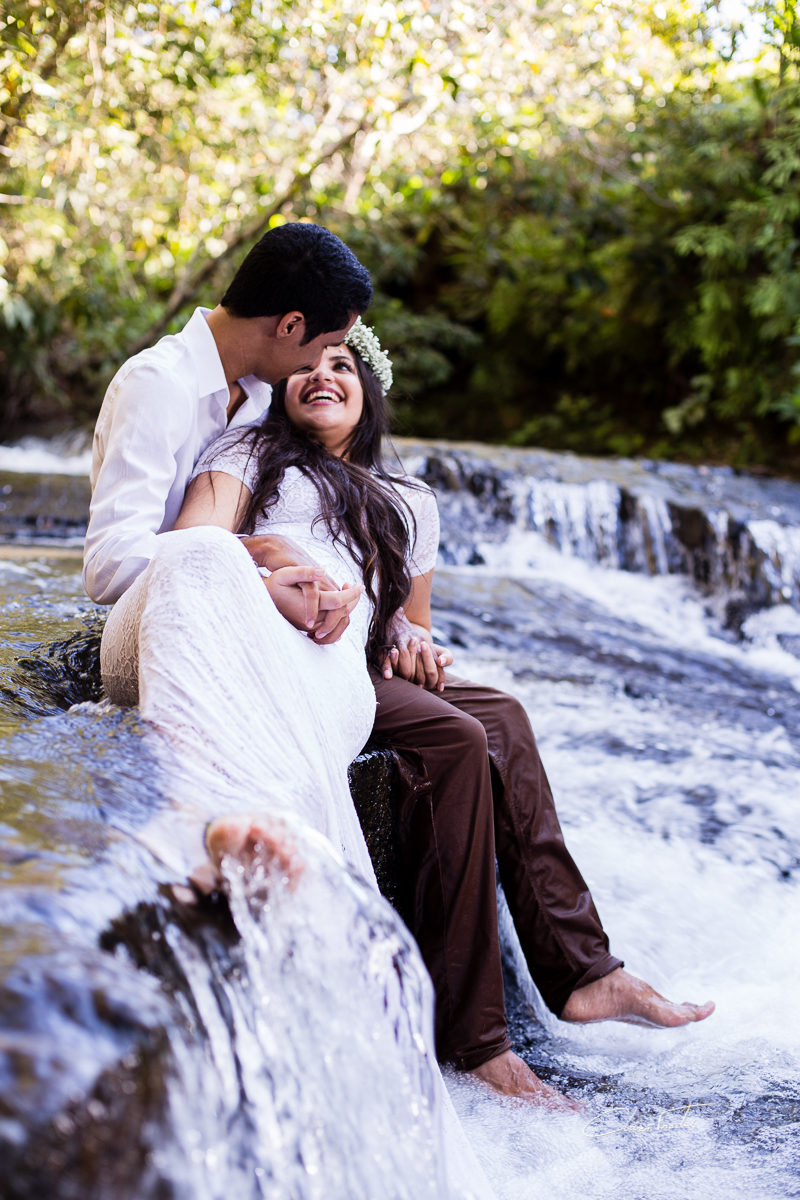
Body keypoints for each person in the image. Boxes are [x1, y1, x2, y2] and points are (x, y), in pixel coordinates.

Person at [85, 222, 713, 1112]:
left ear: (368, 395)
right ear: (292, 333)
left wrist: (404, 640)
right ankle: (476, 1039)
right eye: (319, 358)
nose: (322, 375)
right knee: (457, 738)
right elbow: (183, 558)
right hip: (250, 637)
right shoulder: (236, 436)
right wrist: (269, 569)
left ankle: (583, 970)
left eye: (346, 366)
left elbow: (409, 622)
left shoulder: (359, 469)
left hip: (349, 651)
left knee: (502, 720)